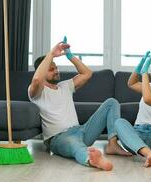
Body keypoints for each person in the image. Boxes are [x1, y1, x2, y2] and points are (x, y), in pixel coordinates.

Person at [28, 36, 131, 171]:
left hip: (82, 131)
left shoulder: (65, 86)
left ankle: (112, 144)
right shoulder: (37, 91)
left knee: (112, 102)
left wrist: (70, 56)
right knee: (76, 146)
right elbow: (37, 79)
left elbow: (87, 73)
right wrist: (51, 54)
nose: (56, 71)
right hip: (59, 138)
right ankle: (92, 160)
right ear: (41, 71)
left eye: (56, 67)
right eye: (51, 69)